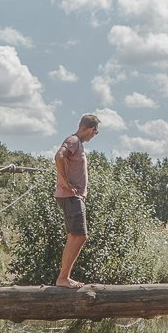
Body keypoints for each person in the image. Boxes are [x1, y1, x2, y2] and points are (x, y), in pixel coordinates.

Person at [53, 113, 99, 287]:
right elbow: (59, 157)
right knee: (80, 236)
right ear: (90, 129)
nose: (94, 136)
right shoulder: (73, 141)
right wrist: (66, 183)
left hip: (73, 196)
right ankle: (63, 277)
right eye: (95, 133)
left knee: (75, 236)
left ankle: (63, 277)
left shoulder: (77, 144)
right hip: (72, 196)